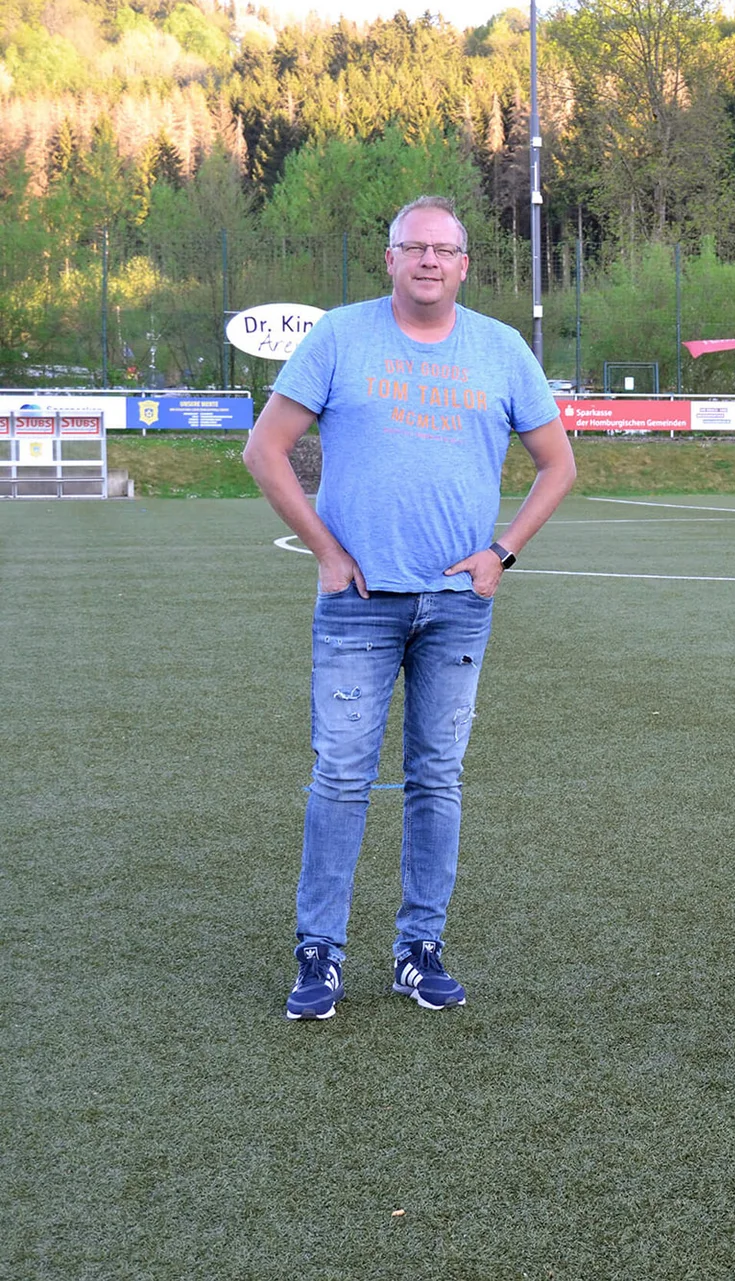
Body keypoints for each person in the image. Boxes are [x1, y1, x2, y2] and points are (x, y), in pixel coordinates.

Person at [243, 195, 577, 1022]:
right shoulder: (340, 337)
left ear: (465, 265)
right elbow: (265, 450)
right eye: (413, 247)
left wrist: (502, 553)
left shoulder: (500, 349)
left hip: (457, 606)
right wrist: (326, 548)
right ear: (389, 259)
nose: (429, 260)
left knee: (437, 777)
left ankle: (418, 949)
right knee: (342, 777)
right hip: (359, 602)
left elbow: (557, 464)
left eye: (445, 249)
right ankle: (319, 953)